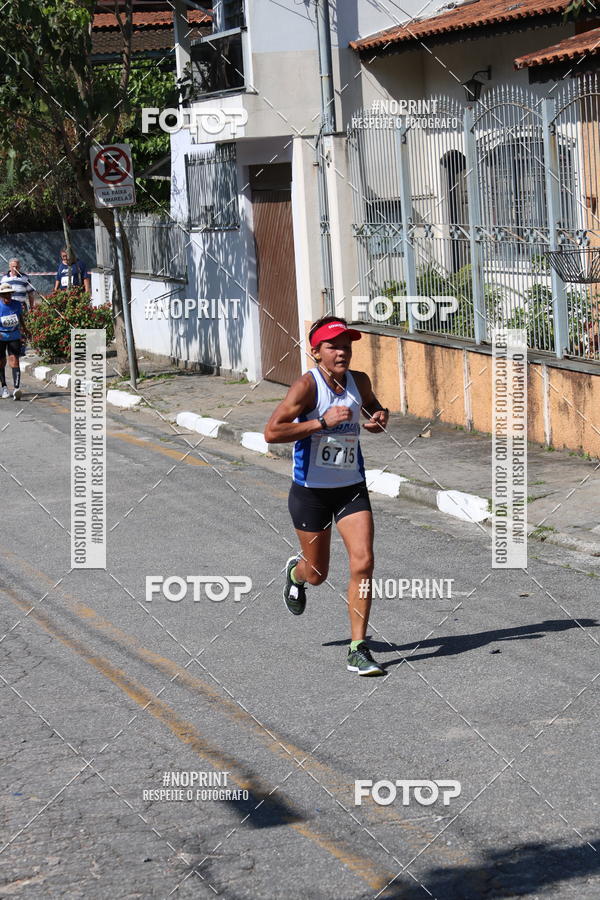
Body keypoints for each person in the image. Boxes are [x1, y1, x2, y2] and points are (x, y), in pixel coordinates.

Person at [264, 315, 390, 676]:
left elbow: (374, 410)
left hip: (351, 488)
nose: (342, 352)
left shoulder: (358, 381)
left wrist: (380, 417)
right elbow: (272, 432)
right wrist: (320, 423)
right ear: (315, 351)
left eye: (346, 345)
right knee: (318, 573)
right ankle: (296, 574)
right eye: (333, 346)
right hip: (311, 493)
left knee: (364, 561)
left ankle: (357, 648)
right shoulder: (307, 386)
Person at [0, 283, 26, 400]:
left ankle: (16, 388)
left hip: (14, 335)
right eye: (5, 294)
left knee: (14, 361)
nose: (7, 297)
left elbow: (20, 318)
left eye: (9, 294)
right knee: (1, 362)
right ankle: (4, 387)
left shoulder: (17, 304)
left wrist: (25, 330)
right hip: (1, 337)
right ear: (1, 295)